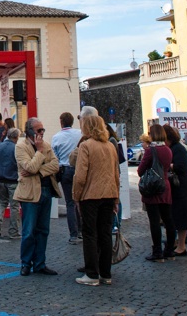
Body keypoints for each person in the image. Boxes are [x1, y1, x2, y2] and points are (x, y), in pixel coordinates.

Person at [72, 115, 120, 286]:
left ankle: (92, 274)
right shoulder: (110, 146)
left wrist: (76, 196)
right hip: (109, 194)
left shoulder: (86, 146)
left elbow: (80, 176)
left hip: (91, 195)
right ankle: (106, 273)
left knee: (90, 234)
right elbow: (116, 174)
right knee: (105, 234)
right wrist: (116, 198)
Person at [14, 117, 62, 276]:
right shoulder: (21, 147)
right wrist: (40, 153)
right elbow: (29, 167)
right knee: (28, 231)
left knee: (43, 230)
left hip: (46, 191)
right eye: (38, 130)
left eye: (43, 130)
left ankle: (40, 263)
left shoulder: (46, 145)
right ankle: (26, 263)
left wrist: (40, 170)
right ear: (29, 132)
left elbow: (55, 165)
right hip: (29, 194)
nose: (42, 133)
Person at [138, 123, 176, 263]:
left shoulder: (150, 151)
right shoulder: (167, 150)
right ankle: (170, 249)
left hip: (153, 187)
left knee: (154, 221)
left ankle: (157, 251)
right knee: (168, 219)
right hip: (165, 186)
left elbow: (140, 170)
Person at [164, 125, 187, 256]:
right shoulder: (174, 148)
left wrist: (167, 165)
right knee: (176, 217)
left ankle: (181, 246)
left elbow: (181, 167)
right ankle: (177, 243)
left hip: (182, 188)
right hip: (178, 188)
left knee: (182, 218)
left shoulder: (178, 149)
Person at [51, 112, 82, 243]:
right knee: (81, 200)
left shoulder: (57, 137)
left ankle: (73, 234)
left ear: (61, 122)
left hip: (65, 170)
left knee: (70, 203)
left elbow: (55, 156)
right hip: (79, 168)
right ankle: (82, 231)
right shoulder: (80, 134)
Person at [0, 127, 21, 239]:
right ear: (16, 137)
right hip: (13, 180)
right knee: (14, 206)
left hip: (1, 179)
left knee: (2, 202)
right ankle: (13, 231)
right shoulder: (16, 148)